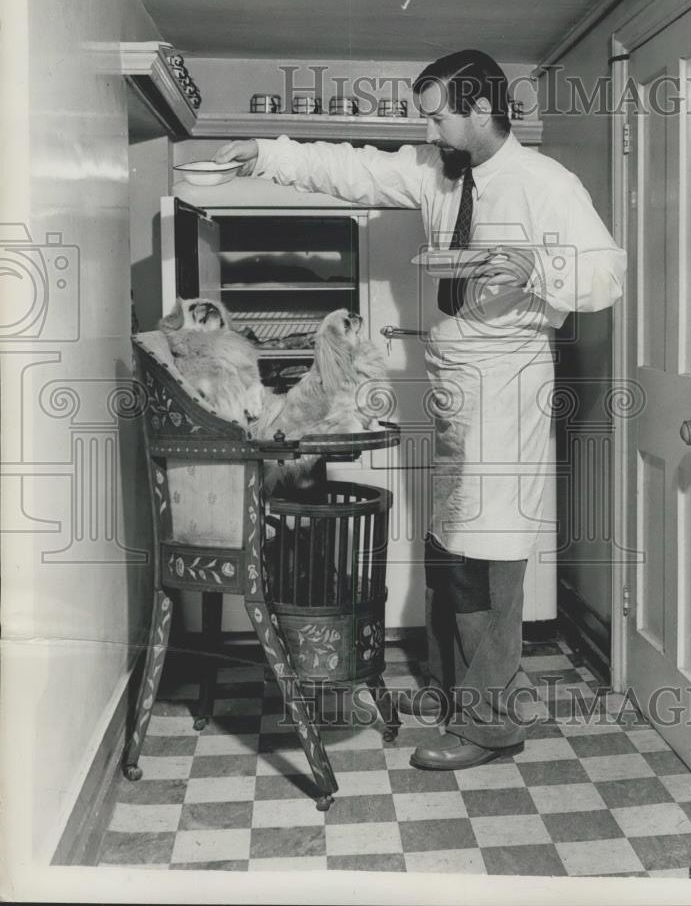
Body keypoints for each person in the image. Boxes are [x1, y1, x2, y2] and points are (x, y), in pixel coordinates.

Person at [214, 50, 627, 771]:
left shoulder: (544, 184)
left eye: (437, 115)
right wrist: (266, 152)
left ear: (479, 109)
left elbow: (606, 273)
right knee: (450, 543)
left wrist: (540, 266)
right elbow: (354, 169)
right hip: (454, 380)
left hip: (506, 382)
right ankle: (455, 689)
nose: (428, 127)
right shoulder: (442, 173)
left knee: (488, 551)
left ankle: (490, 724)